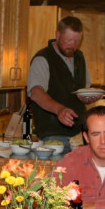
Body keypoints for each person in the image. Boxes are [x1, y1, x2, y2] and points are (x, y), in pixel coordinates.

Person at [27, 16, 91, 153]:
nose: (73, 45)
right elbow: (36, 93)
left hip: (79, 135)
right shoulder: (43, 58)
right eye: (69, 40)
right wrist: (59, 110)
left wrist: (87, 97)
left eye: (77, 41)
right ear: (57, 35)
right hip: (54, 134)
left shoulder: (79, 57)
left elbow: (84, 89)